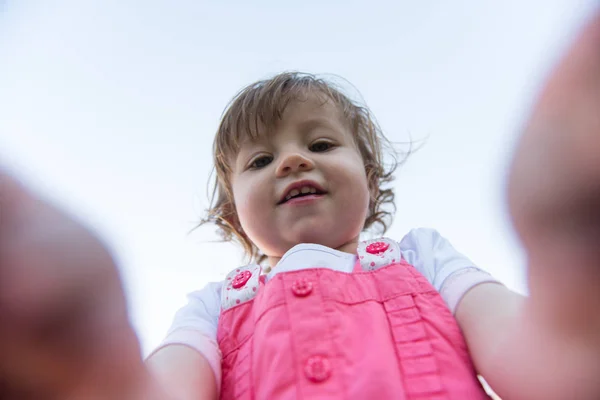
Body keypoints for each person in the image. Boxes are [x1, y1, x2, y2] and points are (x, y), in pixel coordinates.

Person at [1, 8, 599, 400]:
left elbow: (521, 343)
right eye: (260, 162)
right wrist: (92, 370)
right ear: (235, 214)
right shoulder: (215, 306)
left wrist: (576, 324)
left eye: (319, 144)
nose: (291, 162)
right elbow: (166, 386)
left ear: (368, 175)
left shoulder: (424, 259)